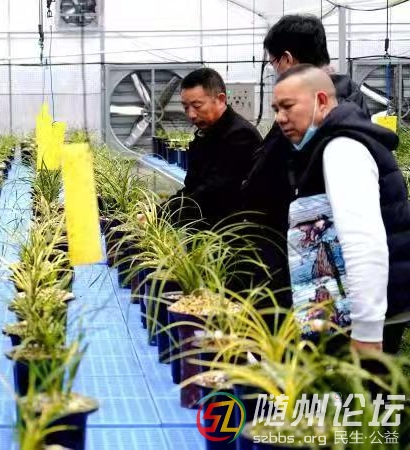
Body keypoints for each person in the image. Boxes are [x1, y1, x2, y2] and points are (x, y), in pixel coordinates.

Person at [272, 65, 410, 354]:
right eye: (276, 109)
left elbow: (364, 242)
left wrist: (367, 331)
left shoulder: (342, 149)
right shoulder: (330, 144)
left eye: (288, 106)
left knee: (360, 384)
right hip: (353, 308)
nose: (279, 118)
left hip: (362, 319)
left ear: (321, 101)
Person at [241, 15, 372, 307]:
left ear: (287, 60)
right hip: (306, 259)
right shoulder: (349, 101)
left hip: (308, 267)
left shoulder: (320, 120)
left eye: (273, 63)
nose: (282, 116)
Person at [162, 68, 262, 228]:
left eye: (197, 105)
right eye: (186, 107)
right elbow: (192, 187)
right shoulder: (205, 134)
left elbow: (212, 194)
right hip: (205, 231)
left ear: (220, 99)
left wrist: (162, 216)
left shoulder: (241, 136)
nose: (191, 114)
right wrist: (157, 212)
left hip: (227, 235)